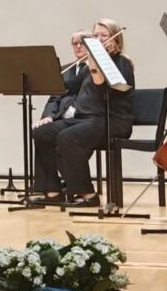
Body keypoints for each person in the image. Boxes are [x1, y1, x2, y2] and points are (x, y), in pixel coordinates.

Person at [30, 19, 134, 207]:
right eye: (96, 35)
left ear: (115, 39)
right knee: (42, 133)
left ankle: (87, 194)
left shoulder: (122, 62)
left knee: (68, 137)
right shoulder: (87, 66)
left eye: (104, 35)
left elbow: (104, 90)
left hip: (112, 120)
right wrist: (41, 79)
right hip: (87, 119)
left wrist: (94, 65)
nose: (99, 39)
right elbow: (69, 86)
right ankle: (52, 191)